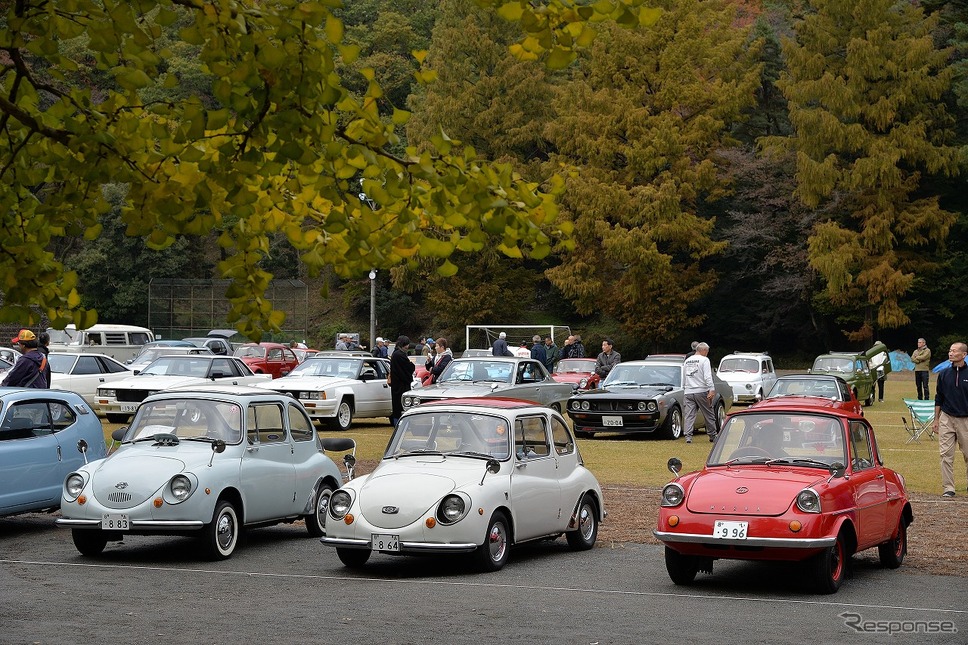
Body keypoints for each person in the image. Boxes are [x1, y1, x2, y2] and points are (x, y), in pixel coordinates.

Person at [932, 342, 968, 499]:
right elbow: (938, 398)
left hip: (965, 419)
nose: (950, 353)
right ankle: (948, 488)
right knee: (945, 454)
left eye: (954, 351)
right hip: (947, 418)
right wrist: (936, 420)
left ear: (964, 355)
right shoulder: (944, 374)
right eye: (950, 350)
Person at [683, 342, 718, 444]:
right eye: (707, 351)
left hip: (688, 391)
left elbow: (684, 377)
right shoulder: (704, 360)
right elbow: (707, 376)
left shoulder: (687, 361)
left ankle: (688, 436)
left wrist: (685, 388)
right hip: (701, 390)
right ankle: (712, 435)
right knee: (708, 413)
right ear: (703, 350)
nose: (707, 353)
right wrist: (711, 389)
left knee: (689, 415)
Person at [388, 336, 415, 427]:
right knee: (403, 406)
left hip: (396, 384)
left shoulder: (395, 354)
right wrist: (411, 364)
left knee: (396, 407)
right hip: (402, 385)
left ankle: (397, 424)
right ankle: (401, 426)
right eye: (406, 344)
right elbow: (409, 368)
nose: (407, 346)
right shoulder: (401, 355)